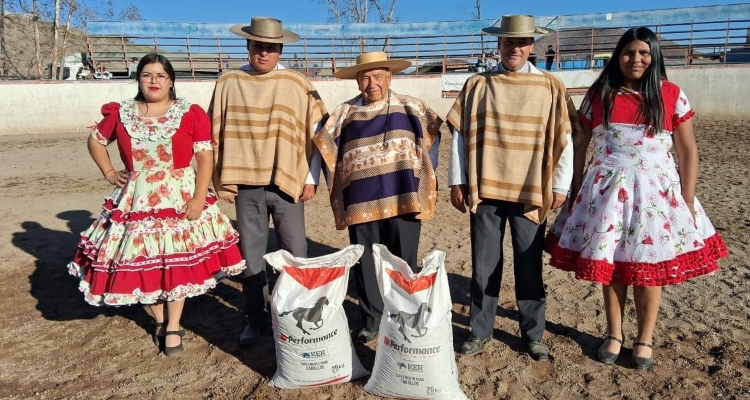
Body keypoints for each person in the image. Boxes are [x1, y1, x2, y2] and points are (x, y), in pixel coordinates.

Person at [545, 27, 728, 370]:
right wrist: (574, 190)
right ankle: (614, 334)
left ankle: (644, 337)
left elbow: (688, 150)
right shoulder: (601, 94)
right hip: (607, 194)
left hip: (656, 195)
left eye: (644, 53)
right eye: (629, 53)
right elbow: (580, 144)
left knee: (650, 269)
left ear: (654, 56)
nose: (636, 59)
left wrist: (687, 200)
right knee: (612, 265)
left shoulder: (671, 94)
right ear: (618, 56)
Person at [68, 53, 246, 356]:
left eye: (160, 75)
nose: (153, 80)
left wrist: (199, 198)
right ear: (138, 79)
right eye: (147, 74)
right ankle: (160, 320)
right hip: (135, 200)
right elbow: (96, 141)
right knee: (137, 262)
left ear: (171, 81)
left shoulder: (189, 113)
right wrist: (110, 172)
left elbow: (205, 158)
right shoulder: (121, 113)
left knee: (177, 263)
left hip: (178, 197)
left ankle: (174, 324)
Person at [446, 14, 577, 360]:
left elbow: (563, 138)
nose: (514, 48)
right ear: (498, 44)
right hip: (487, 188)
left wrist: (561, 186)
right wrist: (457, 180)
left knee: (529, 262)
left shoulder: (550, 86)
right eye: (508, 41)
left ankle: (533, 334)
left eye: (521, 42)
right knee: (484, 263)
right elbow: (460, 136)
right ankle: (480, 330)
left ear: (532, 45)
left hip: (532, 189)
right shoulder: (476, 85)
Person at [313, 51, 447, 344]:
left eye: (377, 76)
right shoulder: (343, 114)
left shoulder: (412, 108)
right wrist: (340, 185)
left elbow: (432, 142)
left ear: (390, 77)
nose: (371, 83)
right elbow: (326, 148)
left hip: (404, 197)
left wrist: (422, 174)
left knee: (403, 261)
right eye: (365, 77)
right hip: (361, 202)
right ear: (358, 80)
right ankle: (372, 321)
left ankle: (403, 316)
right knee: (367, 262)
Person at [210, 17, 328, 347]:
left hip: (286, 181)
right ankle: (255, 319)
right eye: (258, 46)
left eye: (271, 48)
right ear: (248, 46)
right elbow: (214, 132)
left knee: (295, 252)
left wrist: (310, 178)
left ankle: (294, 311)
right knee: (251, 256)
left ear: (280, 50)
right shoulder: (228, 82)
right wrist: (222, 179)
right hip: (246, 184)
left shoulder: (297, 82)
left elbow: (316, 132)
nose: (264, 53)